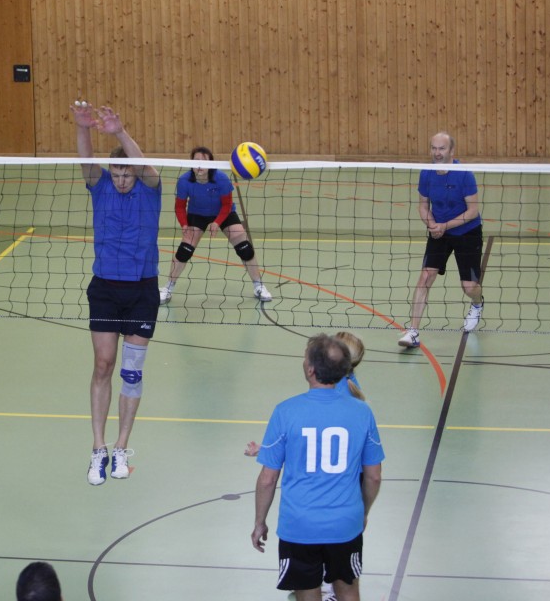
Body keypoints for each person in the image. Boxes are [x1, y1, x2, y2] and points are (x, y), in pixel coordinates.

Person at [251, 335, 384, 601]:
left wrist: (259, 522)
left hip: (299, 525)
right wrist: (362, 512)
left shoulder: (285, 411)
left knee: (307, 593)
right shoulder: (362, 412)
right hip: (345, 524)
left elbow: (267, 479)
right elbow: (373, 477)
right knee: (348, 590)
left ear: (310, 369)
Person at [72, 101, 162, 486]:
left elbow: (144, 166)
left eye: (126, 171)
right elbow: (86, 161)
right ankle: (98, 448)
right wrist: (83, 128)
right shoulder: (101, 187)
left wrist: (120, 132)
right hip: (106, 289)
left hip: (142, 290)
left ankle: (122, 446)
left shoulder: (150, 189)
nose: (122, 178)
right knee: (103, 364)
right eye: (117, 171)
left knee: (131, 371)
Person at [398, 132, 485, 349]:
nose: (437, 153)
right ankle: (413, 332)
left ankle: (477, 303)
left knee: (469, 287)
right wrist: (432, 224)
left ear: (452, 151)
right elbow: (423, 205)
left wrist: (444, 226)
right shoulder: (426, 173)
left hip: (467, 232)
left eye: (442, 148)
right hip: (439, 232)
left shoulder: (464, 175)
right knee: (425, 277)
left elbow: (473, 211)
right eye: (434, 148)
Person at [159, 145, 272, 304]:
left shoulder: (221, 179)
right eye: (196, 161)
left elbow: (227, 205)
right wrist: (184, 225)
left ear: (211, 164)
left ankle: (258, 285)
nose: (199, 165)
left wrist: (217, 222)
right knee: (185, 249)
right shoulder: (184, 181)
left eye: (204, 161)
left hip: (223, 213)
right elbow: (179, 207)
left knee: (244, 245)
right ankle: (168, 288)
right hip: (197, 214)